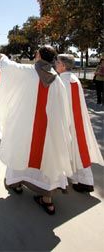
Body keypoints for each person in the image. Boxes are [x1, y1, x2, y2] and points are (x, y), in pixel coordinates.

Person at [0, 46, 72, 215]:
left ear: (39, 56)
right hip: (48, 132)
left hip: (25, 125)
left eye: (36, 53)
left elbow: (8, 66)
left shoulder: (26, 71)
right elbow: (63, 110)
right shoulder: (57, 80)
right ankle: (47, 200)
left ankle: (17, 183)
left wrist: (3, 57)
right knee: (48, 157)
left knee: (21, 150)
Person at [56, 54, 104, 192]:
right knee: (78, 151)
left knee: (73, 150)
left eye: (57, 62)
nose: (55, 63)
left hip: (68, 123)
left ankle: (83, 182)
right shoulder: (72, 78)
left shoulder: (63, 81)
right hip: (76, 121)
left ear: (64, 65)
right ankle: (82, 180)